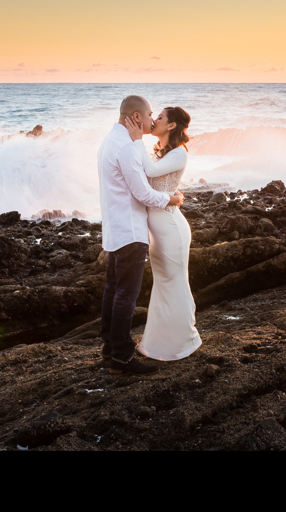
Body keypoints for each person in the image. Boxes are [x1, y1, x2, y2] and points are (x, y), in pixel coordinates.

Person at [98, 95, 184, 375]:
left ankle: (110, 347)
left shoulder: (111, 140)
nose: (151, 120)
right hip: (131, 231)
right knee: (126, 295)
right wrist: (171, 199)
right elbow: (142, 192)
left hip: (115, 227)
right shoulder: (127, 147)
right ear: (136, 117)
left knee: (113, 290)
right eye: (149, 115)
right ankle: (122, 357)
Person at [123, 106, 202, 361]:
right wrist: (172, 196)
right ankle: (157, 345)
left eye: (159, 117)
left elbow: (151, 173)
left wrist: (136, 140)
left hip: (171, 229)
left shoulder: (179, 153)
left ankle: (180, 344)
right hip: (158, 230)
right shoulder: (159, 153)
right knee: (163, 284)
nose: (154, 120)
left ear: (171, 126)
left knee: (174, 283)